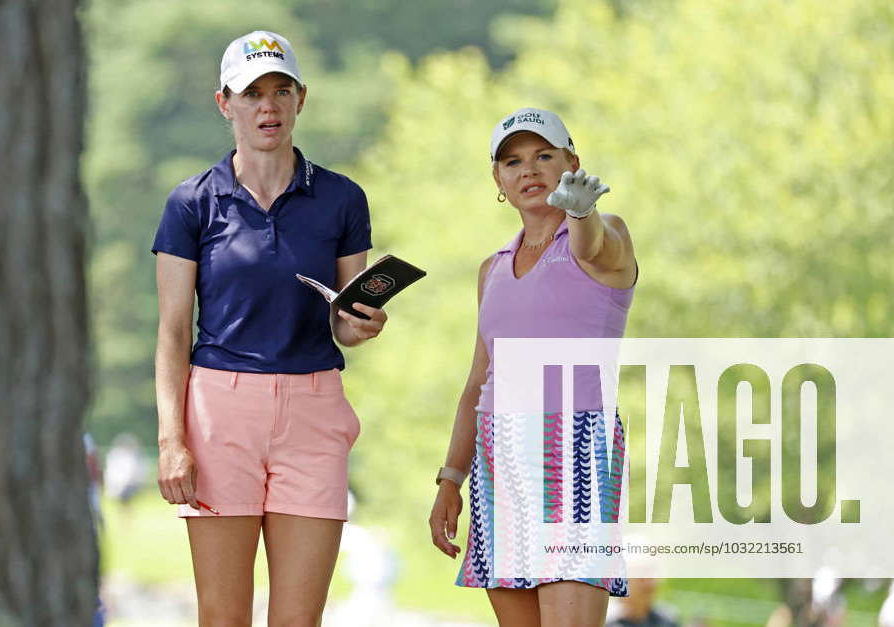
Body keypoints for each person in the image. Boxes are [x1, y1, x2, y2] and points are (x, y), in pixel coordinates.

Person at [150, 30, 387, 626]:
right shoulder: (191, 204)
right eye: (251, 93)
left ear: (301, 99)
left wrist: (362, 324)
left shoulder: (342, 199)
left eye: (281, 91)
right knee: (224, 616)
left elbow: (345, 323)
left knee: (298, 620)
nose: (268, 106)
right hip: (219, 412)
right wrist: (171, 440)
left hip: (313, 413)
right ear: (224, 103)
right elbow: (174, 333)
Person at [429, 107, 639, 627]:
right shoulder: (492, 269)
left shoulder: (602, 236)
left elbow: (592, 242)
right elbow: (478, 382)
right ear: (498, 179)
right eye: (513, 161)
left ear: (572, 161)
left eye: (544, 155)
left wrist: (582, 212)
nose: (530, 169)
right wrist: (451, 478)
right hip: (500, 463)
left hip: (576, 453)